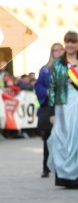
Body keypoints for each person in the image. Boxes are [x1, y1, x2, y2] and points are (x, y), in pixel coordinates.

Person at [47, 30, 78, 188]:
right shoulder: (59, 63)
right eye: (68, 42)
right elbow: (52, 87)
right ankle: (66, 177)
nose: (70, 45)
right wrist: (51, 112)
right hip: (63, 105)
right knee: (62, 139)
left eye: (73, 42)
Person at [34, 42, 64, 178]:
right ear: (52, 53)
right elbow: (38, 86)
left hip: (63, 106)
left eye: (60, 50)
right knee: (47, 137)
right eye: (55, 50)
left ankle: (63, 166)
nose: (58, 52)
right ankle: (46, 166)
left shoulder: (68, 68)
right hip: (48, 107)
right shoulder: (45, 70)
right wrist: (46, 92)